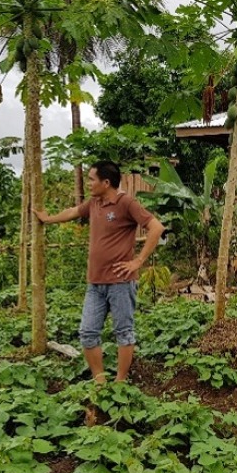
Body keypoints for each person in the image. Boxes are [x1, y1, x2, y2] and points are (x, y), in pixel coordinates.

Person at [34, 160, 165, 388]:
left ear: (106, 182)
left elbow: (156, 227)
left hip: (120, 283)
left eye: (92, 179)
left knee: (124, 332)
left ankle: (120, 383)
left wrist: (138, 261)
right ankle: (100, 381)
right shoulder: (94, 202)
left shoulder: (126, 203)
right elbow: (74, 212)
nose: (89, 183)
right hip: (95, 283)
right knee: (87, 332)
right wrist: (49, 219)